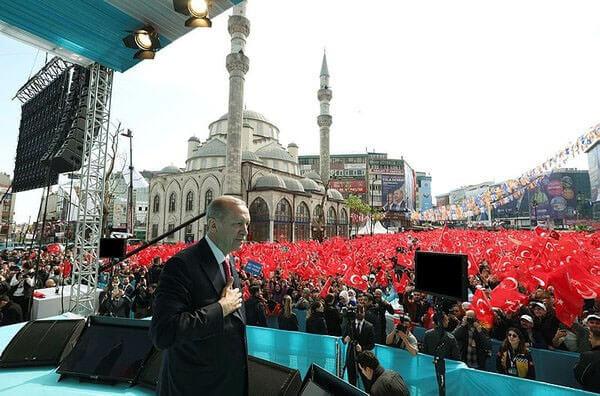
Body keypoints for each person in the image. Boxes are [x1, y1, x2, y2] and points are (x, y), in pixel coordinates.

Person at [150, 196, 250, 396]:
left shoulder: (228, 260)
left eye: (247, 224)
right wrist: (221, 308)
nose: (246, 231)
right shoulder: (182, 265)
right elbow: (164, 333)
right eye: (238, 224)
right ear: (213, 225)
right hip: (193, 387)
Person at [342, 303, 375, 387]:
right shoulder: (350, 324)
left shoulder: (369, 326)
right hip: (351, 357)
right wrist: (345, 340)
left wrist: (362, 348)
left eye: (362, 311)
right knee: (351, 381)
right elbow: (343, 338)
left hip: (364, 358)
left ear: (364, 313)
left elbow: (372, 345)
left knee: (366, 382)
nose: (359, 313)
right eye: (358, 312)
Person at [574, 314, 600, 392]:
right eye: (592, 322)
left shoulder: (588, 356)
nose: (594, 325)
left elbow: (581, 377)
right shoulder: (583, 331)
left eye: (597, 323)